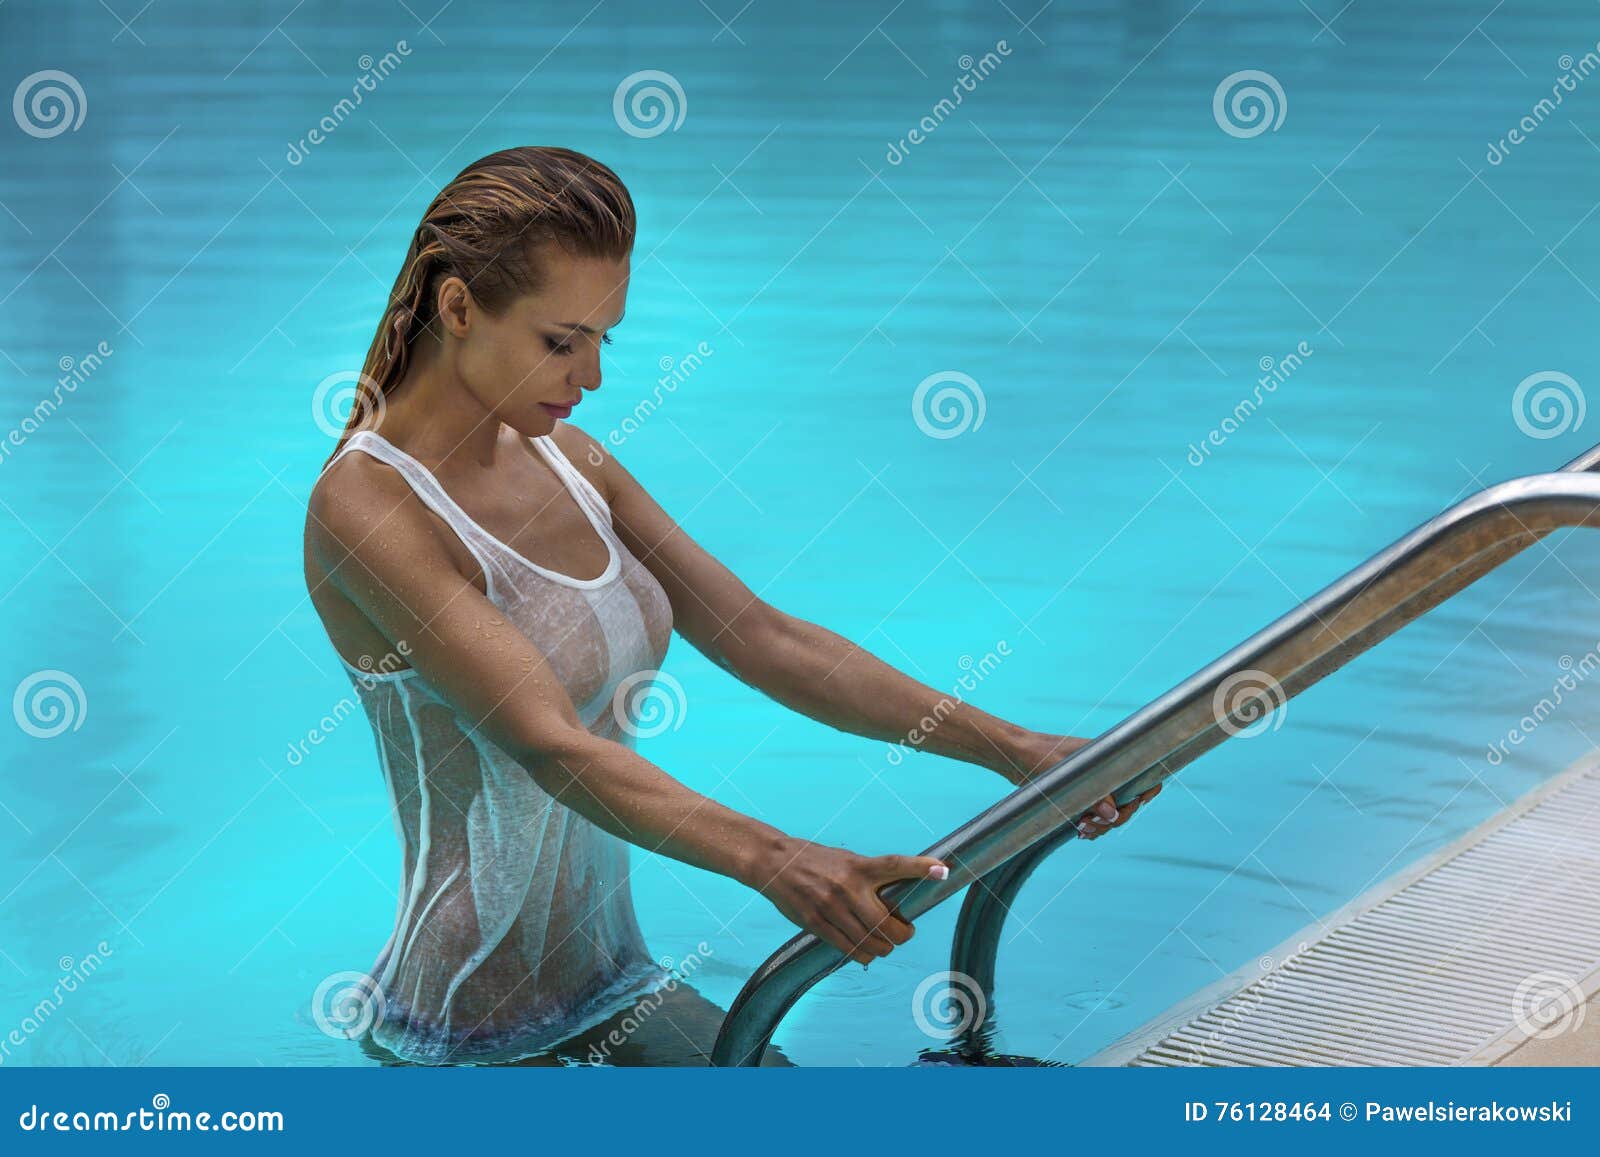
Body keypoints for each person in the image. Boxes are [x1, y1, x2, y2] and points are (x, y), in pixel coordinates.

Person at [303, 145, 1160, 1066]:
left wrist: (1019, 753)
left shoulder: (573, 463)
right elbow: (551, 745)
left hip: (614, 988)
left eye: (604, 338)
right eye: (561, 341)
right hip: (462, 1031)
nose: (590, 377)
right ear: (460, 307)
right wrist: (778, 860)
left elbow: (763, 637)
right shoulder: (366, 507)